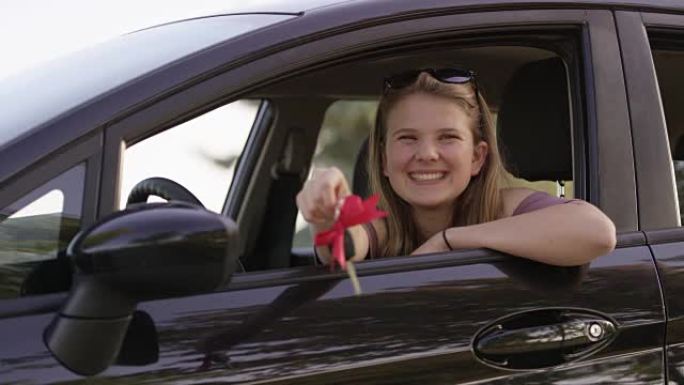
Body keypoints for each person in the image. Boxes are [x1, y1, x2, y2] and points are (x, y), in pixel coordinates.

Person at [296, 69, 616, 267]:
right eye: (408, 138)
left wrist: (449, 240)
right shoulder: (383, 224)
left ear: (477, 157)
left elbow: (597, 232)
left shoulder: (505, 206)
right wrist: (329, 219)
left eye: (447, 137)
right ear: (382, 159)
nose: (428, 154)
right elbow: (344, 249)